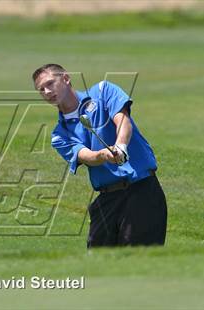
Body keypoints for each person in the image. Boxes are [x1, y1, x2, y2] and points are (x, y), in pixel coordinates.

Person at [32, 64, 167, 247]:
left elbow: (122, 119)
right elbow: (85, 155)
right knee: (99, 264)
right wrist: (103, 155)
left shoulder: (103, 91)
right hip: (107, 199)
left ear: (65, 78)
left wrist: (120, 146)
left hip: (141, 190)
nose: (47, 91)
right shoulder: (59, 135)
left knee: (139, 262)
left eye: (50, 83)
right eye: (41, 90)